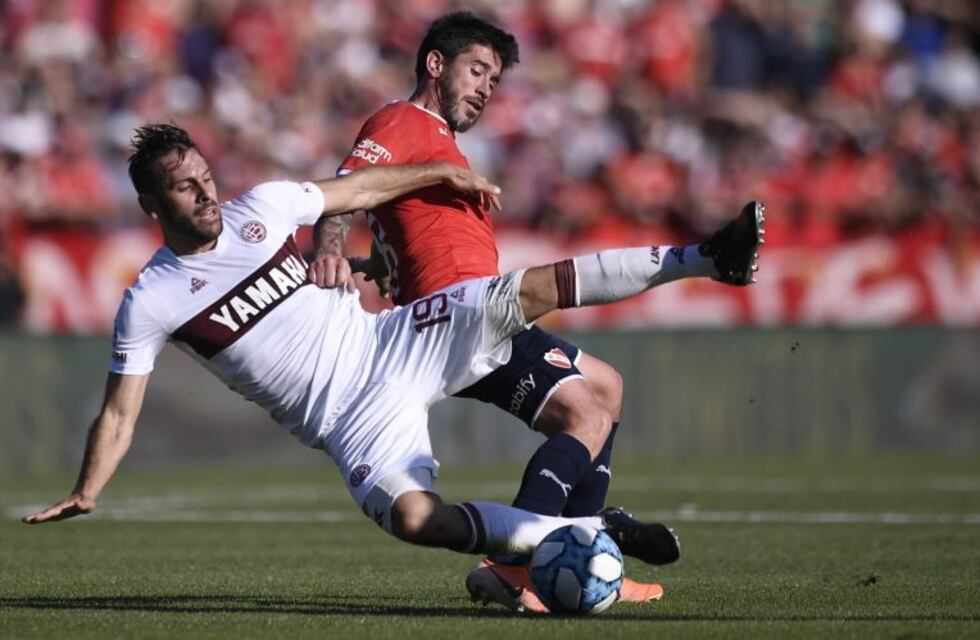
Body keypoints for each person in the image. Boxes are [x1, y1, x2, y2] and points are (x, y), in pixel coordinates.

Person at [22, 123, 763, 611]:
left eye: (206, 175)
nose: (206, 191)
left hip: (393, 341)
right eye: (184, 187)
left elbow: (360, 190)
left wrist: (439, 170)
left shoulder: (264, 207)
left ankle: (705, 257)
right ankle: (579, 532)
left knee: (525, 292)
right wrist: (88, 490)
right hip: (349, 420)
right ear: (151, 204)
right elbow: (119, 411)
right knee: (416, 520)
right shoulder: (150, 299)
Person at [310, 11, 762, 611]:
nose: (485, 88)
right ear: (435, 64)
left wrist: (383, 262)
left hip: (468, 314)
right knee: (585, 413)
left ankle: (587, 549)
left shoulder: (438, 146)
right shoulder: (403, 120)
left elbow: (401, 217)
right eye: (477, 70)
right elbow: (343, 191)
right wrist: (329, 250)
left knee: (605, 388)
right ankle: (516, 565)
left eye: (493, 80)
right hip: (462, 316)